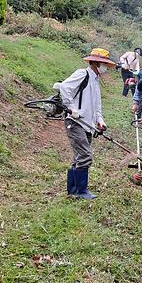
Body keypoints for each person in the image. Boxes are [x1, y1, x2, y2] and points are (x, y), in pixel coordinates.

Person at [55, 47, 115, 199]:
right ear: (95, 63)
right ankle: (81, 191)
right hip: (75, 122)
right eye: (104, 65)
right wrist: (72, 108)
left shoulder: (95, 81)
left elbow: (97, 105)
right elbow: (64, 87)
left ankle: (73, 191)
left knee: (78, 157)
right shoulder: (82, 74)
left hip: (87, 124)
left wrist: (100, 120)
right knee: (85, 155)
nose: (106, 68)